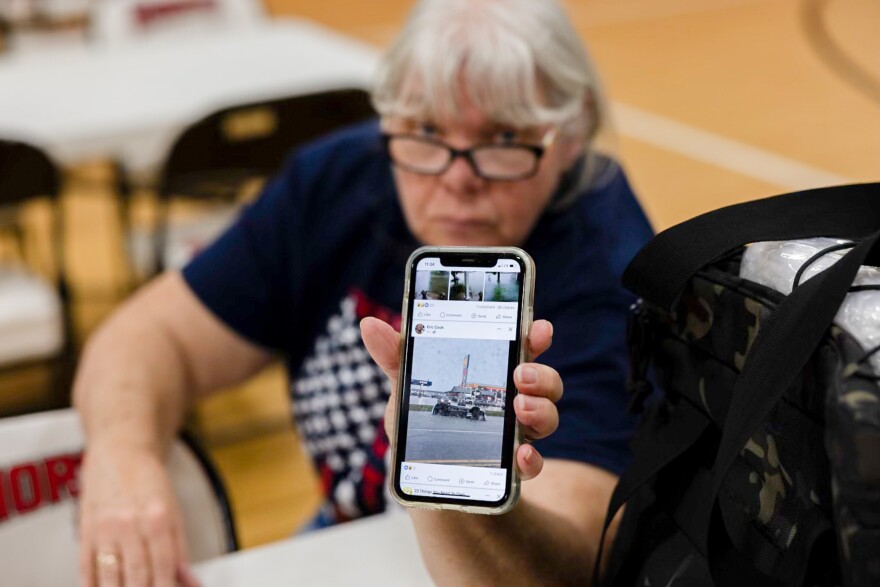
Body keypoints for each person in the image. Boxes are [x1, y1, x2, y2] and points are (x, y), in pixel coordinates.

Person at [72, 0, 653, 585]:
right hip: (353, 535)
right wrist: (124, 456)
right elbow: (151, 334)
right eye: (426, 129)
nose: (456, 178)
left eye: (503, 137)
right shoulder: (336, 180)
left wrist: (434, 470)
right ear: (390, 120)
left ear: (571, 136)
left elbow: (571, 566)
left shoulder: (609, 265)